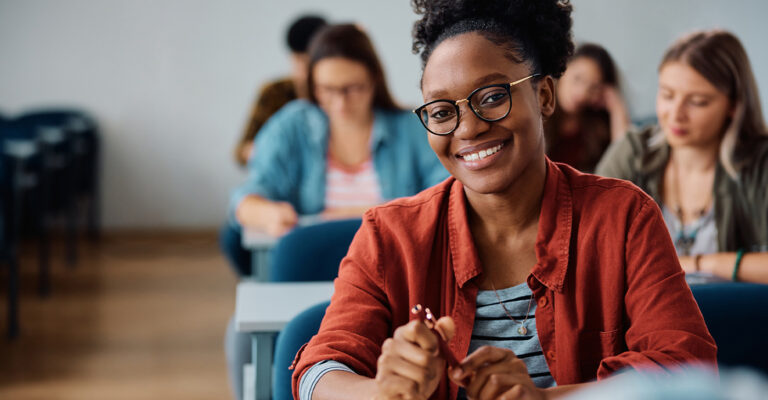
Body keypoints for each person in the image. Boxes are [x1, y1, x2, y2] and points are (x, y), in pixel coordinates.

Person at [292, 1, 716, 400]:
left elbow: (686, 369)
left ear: (545, 96)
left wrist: (545, 398)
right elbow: (316, 372)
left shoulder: (623, 217)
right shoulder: (390, 235)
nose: (468, 128)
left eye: (493, 96)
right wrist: (379, 391)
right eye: (441, 111)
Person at [223, 23, 449, 400]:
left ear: (374, 81)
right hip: (312, 267)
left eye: (352, 88)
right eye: (327, 90)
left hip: (394, 278)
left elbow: (446, 194)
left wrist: (347, 212)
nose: (340, 102)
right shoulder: (293, 124)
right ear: (312, 86)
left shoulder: (410, 129)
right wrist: (269, 214)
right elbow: (246, 196)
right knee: (243, 335)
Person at [596, 29, 768, 284]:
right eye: (667, 95)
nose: (675, 114)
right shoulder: (633, 152)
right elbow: (584, 243)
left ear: (734, 105)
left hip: (729, 319)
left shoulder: (759, 162)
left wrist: (698, 264)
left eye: (697, 101)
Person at [232, 15, 327, 167]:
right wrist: (266, 151)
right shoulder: (274, 92)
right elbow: (240, 152)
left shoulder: (334, 96)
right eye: (298, 60)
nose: (304, 71)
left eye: (310, 62)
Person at [545, 43, 629, 172]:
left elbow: (624, 165)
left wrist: (617, 109)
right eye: (577, 78)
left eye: (593, 87)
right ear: (562, 69)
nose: (581, 93)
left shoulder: (596, 131)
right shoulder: (537, 113)